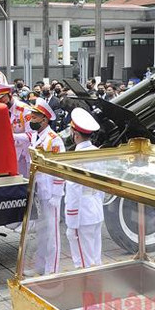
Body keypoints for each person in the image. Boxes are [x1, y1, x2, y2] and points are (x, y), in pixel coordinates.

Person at [27, 99, 66, 276]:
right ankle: (40, 266)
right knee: (42, 231)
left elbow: (60, 169)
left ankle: (52, 270)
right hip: (39, 191)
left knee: (52, 235)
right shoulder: (36, 137)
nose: (31, 119)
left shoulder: (54, 140)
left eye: (35, 117)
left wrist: (57, 194)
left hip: (51, 193)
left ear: (44, 119)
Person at [65, 108, 104, 269]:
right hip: (95, 209)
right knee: (95, 256)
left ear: (76, 134)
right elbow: (103, 185)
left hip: (81, 213)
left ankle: (88, 291)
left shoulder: (76, 157)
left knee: (82, 261)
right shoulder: (97, 152)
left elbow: (73, 190)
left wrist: (71, 220)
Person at [0, 83, 33, 178]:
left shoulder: (24, 110)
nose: (0, 101)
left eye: (2, 98)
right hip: (7, 153)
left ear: (9, 95)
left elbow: (32, 135)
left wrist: (11, 136)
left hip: (23, 153)